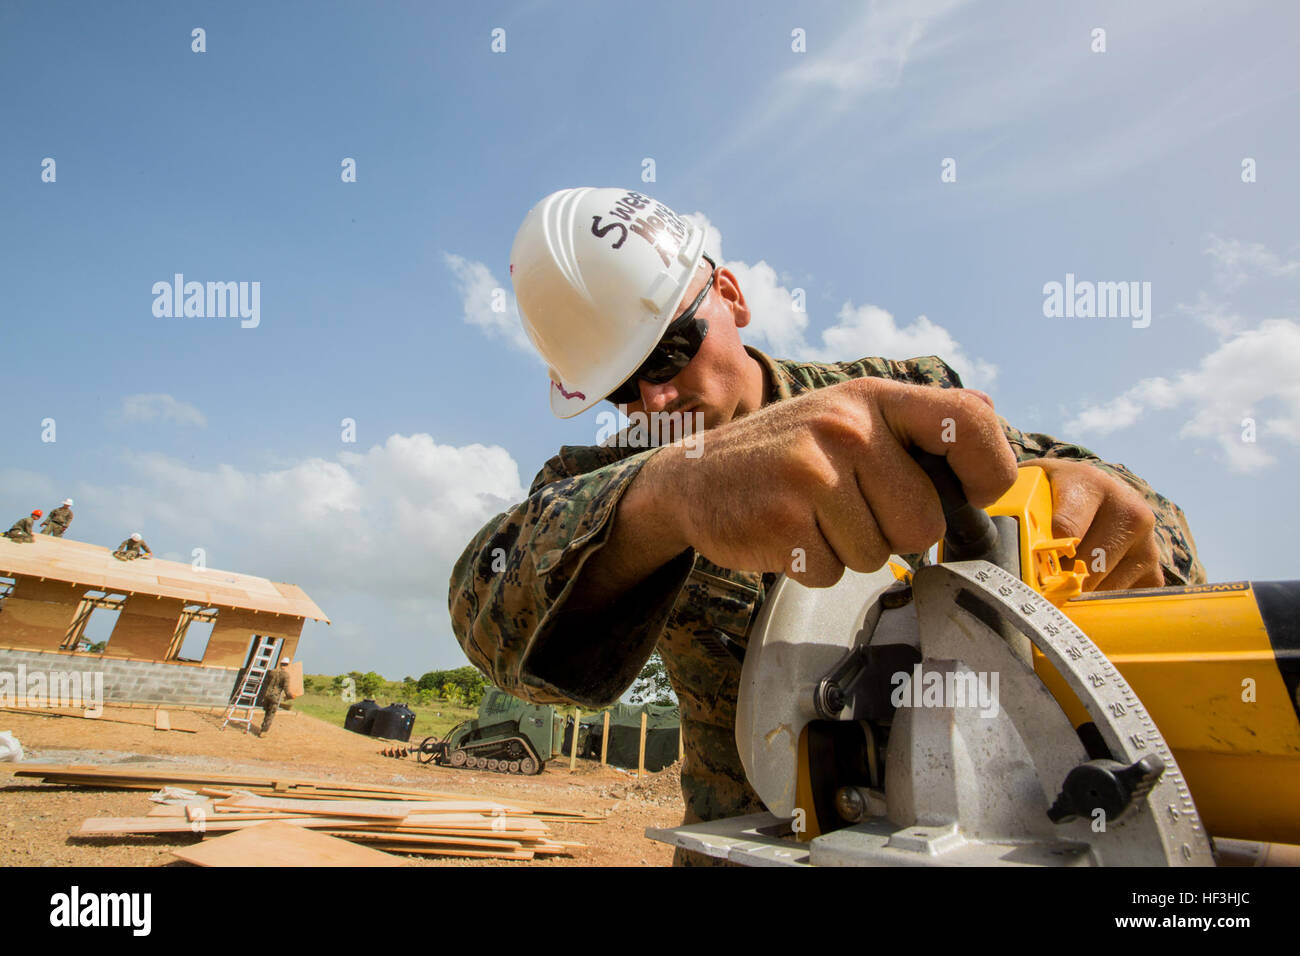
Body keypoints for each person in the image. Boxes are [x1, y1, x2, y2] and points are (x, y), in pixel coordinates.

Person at [448, 187, 1206, 865]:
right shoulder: (605, 482)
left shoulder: (898, 399)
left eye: (674, 352)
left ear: (731, 296)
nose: (657, 399)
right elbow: (485, 609)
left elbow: (1128, 508)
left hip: (972, 829)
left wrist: (1106, 513)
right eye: (621, 389)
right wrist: (671, 494)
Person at [258, 659, 291, 736]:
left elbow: (267, 682)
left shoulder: (272, 672)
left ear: (280, 663)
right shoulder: (286, 675)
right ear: (287, 665)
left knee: (267, 712)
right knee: (271, 714)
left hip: (267, 695)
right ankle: (264, 731)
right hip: (275, 697)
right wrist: (289, 696)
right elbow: (286, 688)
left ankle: (263, 727)